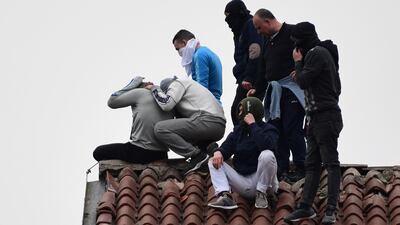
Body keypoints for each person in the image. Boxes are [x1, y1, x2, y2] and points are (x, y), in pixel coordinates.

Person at [284, 22, 343, 225]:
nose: (295, 47)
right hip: (315, 118)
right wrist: (302, 72)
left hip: (326, 117)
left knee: (331, 164)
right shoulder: (319, 55)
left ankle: (331, 210)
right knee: (312, 165)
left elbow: (303, 81)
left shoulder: (316, 53)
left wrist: (299, 65)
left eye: (296, 42)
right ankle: (305, 207)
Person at [250, 8, 306, 182]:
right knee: (276, 130)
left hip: (291, 90)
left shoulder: (292, 32)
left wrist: (301, 69)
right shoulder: (267, 42)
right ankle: (281, 168)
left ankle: (301, 166)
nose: (259, 32)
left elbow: (308, 54)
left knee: (292, 128)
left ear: (267, 21)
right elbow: (264, 69)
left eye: (259, 28)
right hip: (274, 92)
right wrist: (257, 89)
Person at [207, 97, 279, 209]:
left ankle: (262, 193)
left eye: (242, 110)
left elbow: (267, 145)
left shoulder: (269, 129)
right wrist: (218, 152)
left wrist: (253, 125)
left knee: (267, 154)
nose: (239, 114)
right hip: (244, 183)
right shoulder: (238, 131)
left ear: (250, 112)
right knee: (213, 161)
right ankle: (225, 196)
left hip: (264, 182)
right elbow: (226, 147)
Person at [145, 77, 226, 174]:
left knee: (160, 129)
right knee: (179, 126)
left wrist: (154, 88)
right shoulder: (191, 87)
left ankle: (197, 156)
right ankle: (208, 148)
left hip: (207, 120)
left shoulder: (177, 83)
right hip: (217, 126)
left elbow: (166, 104)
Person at [93, 77, 174, 163]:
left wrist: (131, 84)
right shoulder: (166, 99)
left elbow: (112, 102)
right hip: (162, 154)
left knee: (98, 152)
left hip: (140, 151)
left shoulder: (140, 92)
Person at [223, 0, 264, 126]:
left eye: (229, 16)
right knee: (239, 112)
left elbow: (255, 50)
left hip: (251, 78)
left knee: (242, 111)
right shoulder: (238, 30)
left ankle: (252, 142)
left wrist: (249, 77)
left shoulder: (250, 25)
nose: (227, 21)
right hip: (244, 77)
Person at [172, 29, 223, 103]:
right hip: (216, 104)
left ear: (184, 42)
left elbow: (201, 89)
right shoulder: (208, 52)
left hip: (208, 107)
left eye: (178, 49)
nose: (179, 53)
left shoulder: (199, 55)